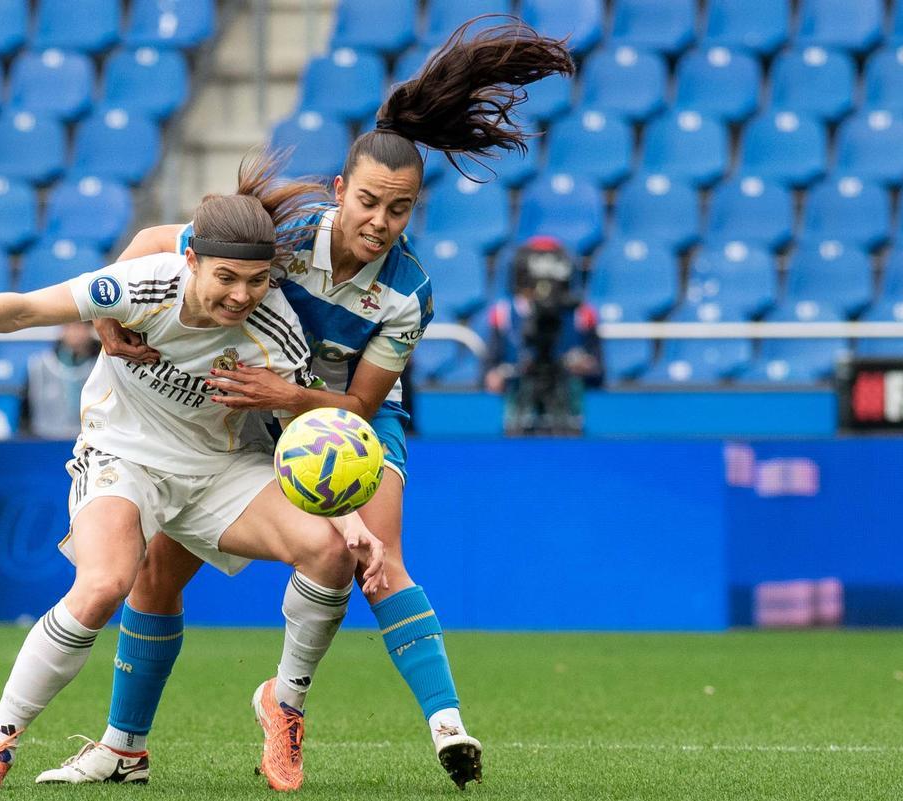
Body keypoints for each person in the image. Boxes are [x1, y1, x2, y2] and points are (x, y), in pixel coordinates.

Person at [49, 15, 575, 791]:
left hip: (342, 422)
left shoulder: (408, 294)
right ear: (340, 191)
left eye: (399, 210)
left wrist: (288, 393)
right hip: (244, 416)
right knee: (156, 577)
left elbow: (358, 405)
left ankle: (386, 716)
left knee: (373, 557)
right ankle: (125, 744)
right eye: (368, 202)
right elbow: (156, 244)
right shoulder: (284, 233)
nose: (379, 222)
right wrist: (105, 320)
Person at [0, 154, 388, 794]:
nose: (242, 295)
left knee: (332, 553)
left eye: (255, 279)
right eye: (226, 277)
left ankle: (285, 705)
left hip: (216, 470)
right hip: (123, 454)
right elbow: (26, 309)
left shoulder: (277, 330)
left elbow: (301, 443)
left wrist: (353, 520)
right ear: (191, 260)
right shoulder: (138, 285)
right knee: (107, 583)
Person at [484, 236, 602, 434]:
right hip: (520, 397)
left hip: (567, 404)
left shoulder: (582, 315)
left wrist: (584, 366)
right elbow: (487, 372)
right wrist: (501, 374)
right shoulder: (503, 313)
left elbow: (599, 374)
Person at [22, 321, 100, 439]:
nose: (75, 333)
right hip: (45, 441)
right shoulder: (39, 365)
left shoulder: (103, 364)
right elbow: (26, 413)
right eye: (70, 326)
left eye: (81, 327)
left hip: (92, 441)